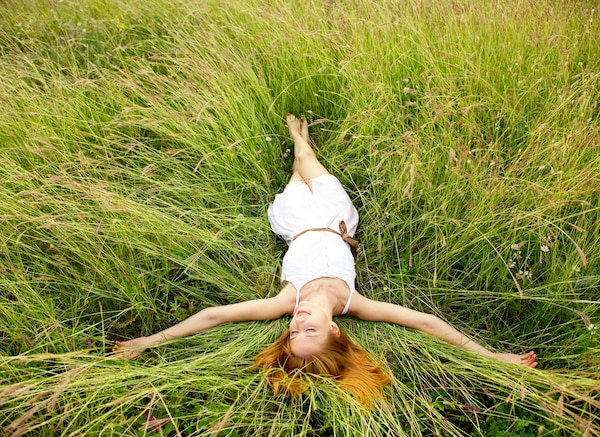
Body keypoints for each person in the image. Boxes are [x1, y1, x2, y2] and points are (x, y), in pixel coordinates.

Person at [113, 114, 537, 406]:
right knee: (305, 163)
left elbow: (212, 315)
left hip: (296, 221)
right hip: (335, 218)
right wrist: (490, 356)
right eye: (309, 328)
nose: (296, 320)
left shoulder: (285, 301)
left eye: (293, 331)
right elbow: (426, 322)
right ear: (334, 328)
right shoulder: (355, 303)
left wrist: (146, 343)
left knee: (300, 171)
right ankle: (300, 138)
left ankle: (299, 140)